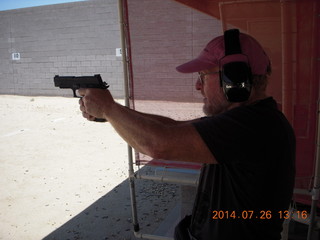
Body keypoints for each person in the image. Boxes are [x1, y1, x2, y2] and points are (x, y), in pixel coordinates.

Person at [78, 29, 295, 240]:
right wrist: (112, 113)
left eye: (203, 75)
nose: (198, 85)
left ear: (233, 78)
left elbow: (159, 143)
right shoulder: (249, 119)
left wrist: (108, 108)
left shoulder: (254, 124)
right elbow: (173, 127)